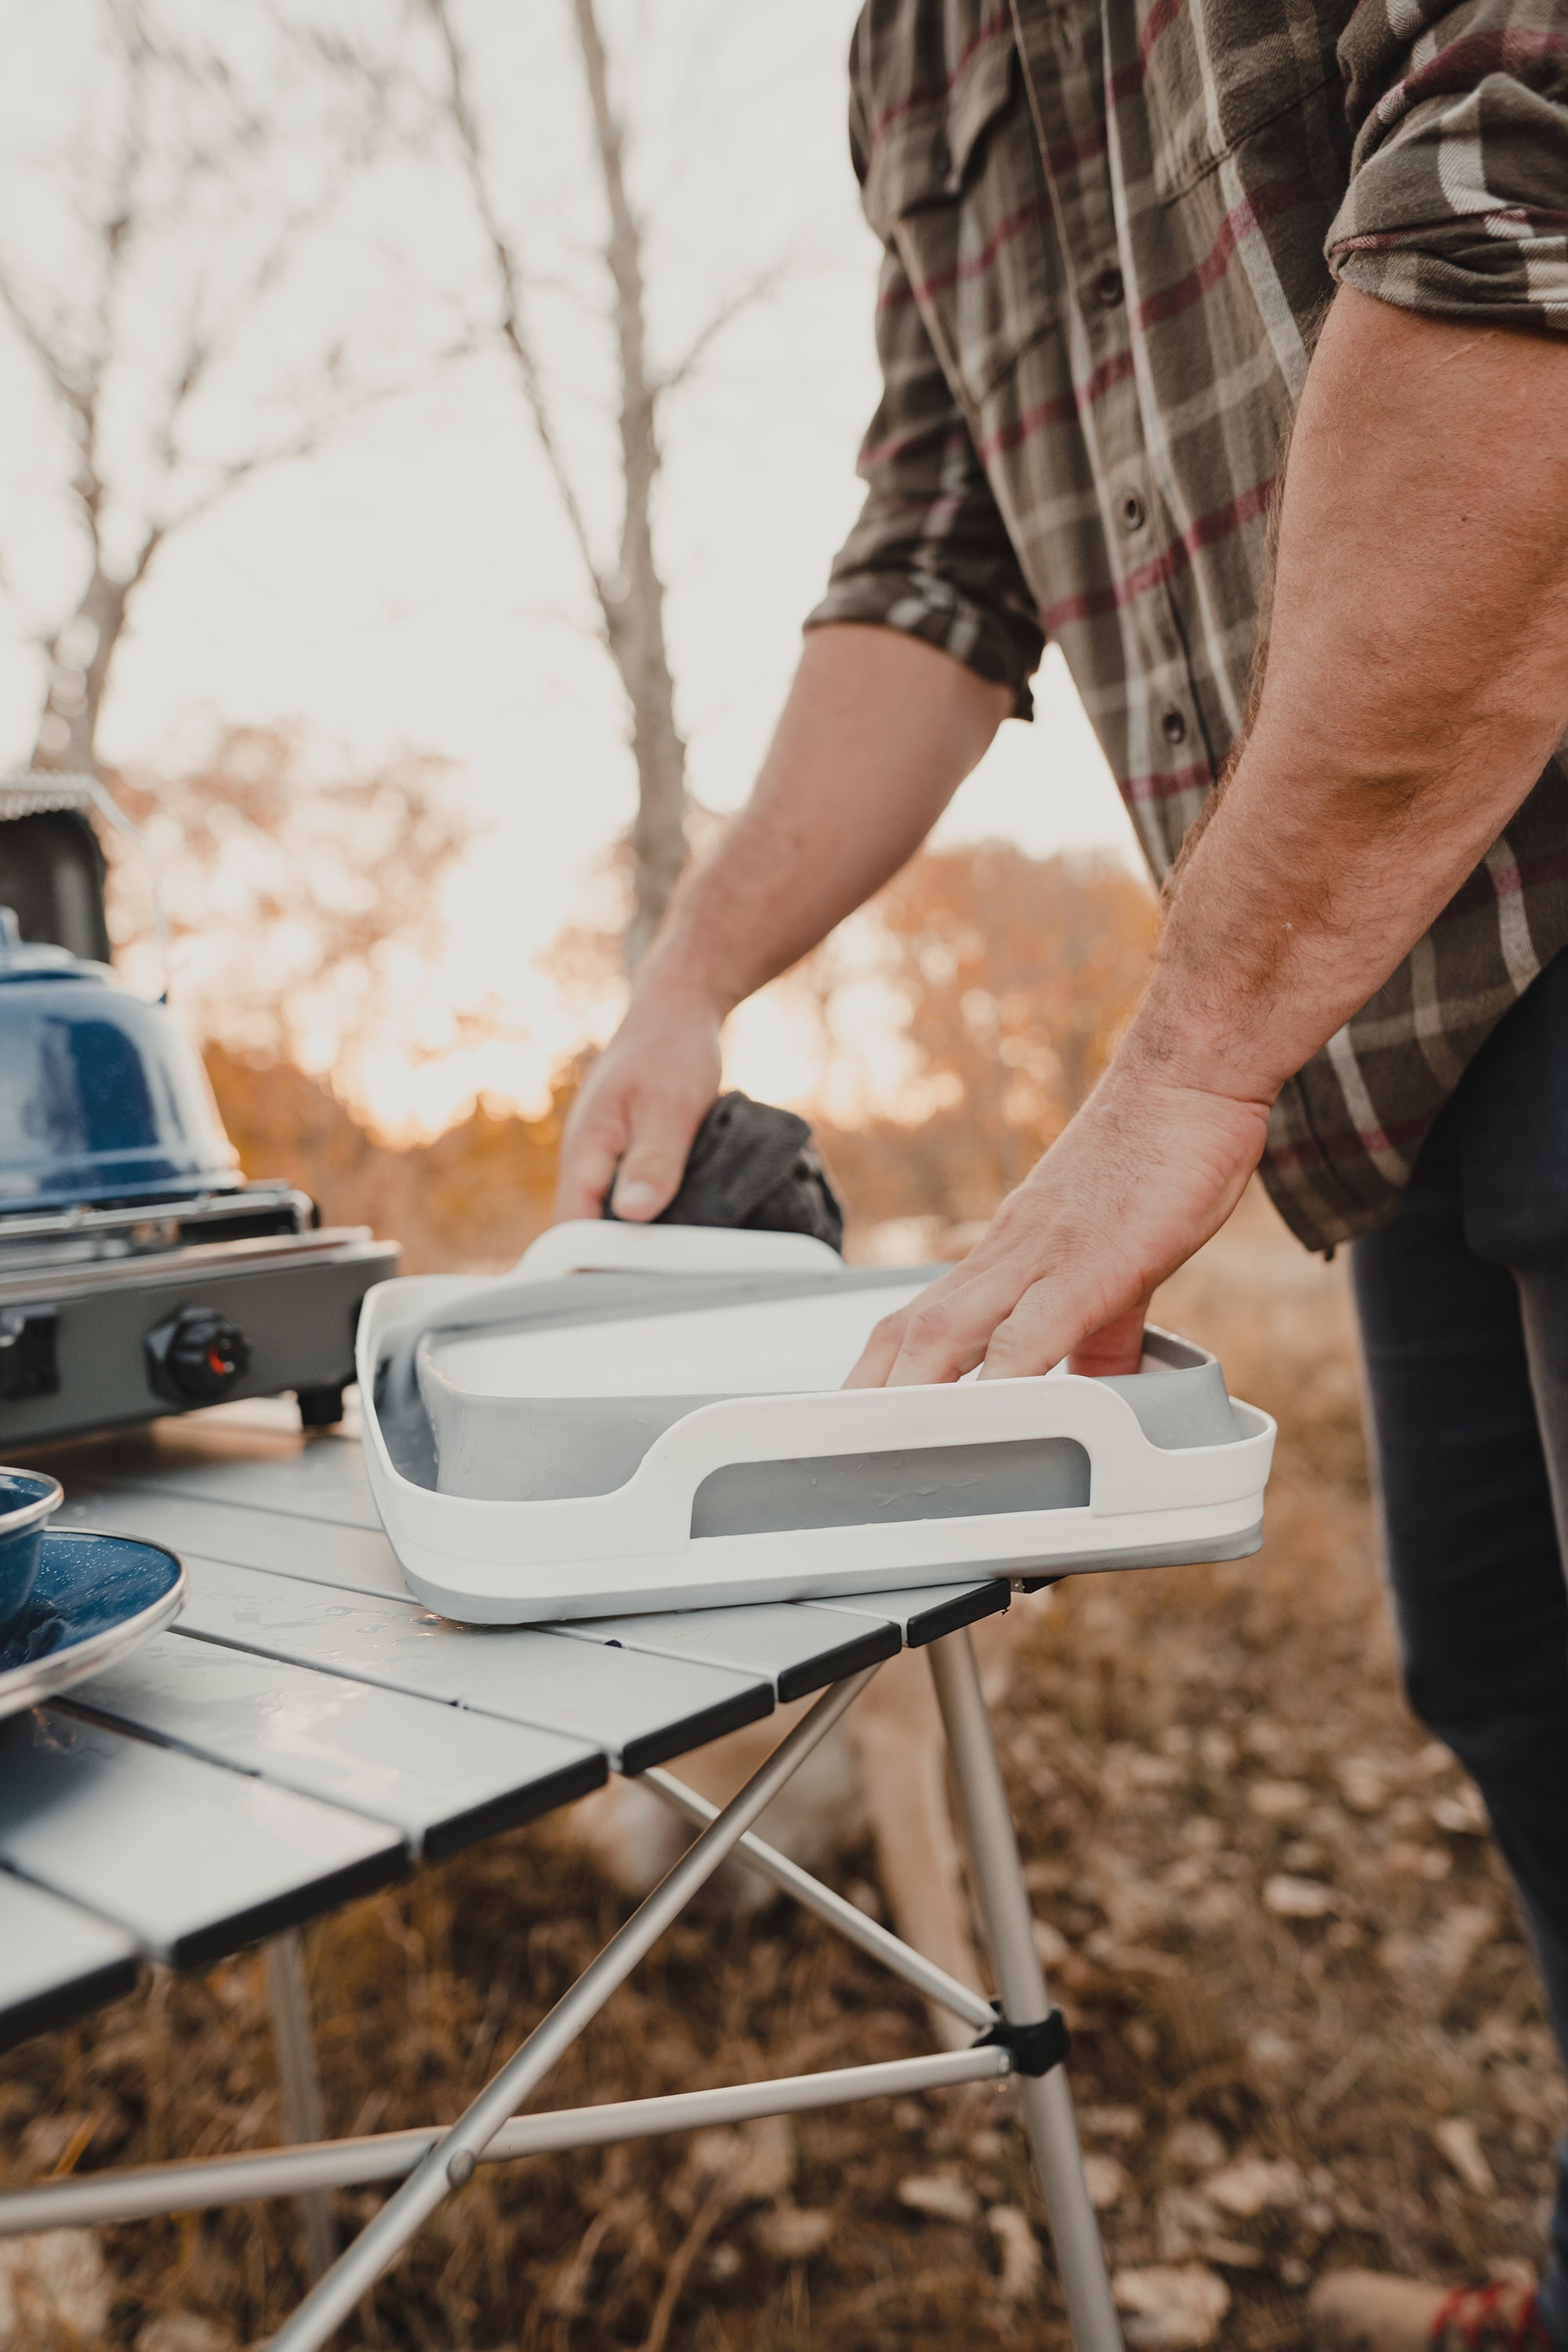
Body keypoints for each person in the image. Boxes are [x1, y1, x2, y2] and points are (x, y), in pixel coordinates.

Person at [555, 6, 1568, 2343]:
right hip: (1399, 1007)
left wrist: (1186, 1062)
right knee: (1521, 1688)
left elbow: (1529, 177)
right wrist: (687, 976)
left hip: (1408, 896)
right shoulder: (910, 52)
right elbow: (937, 542)